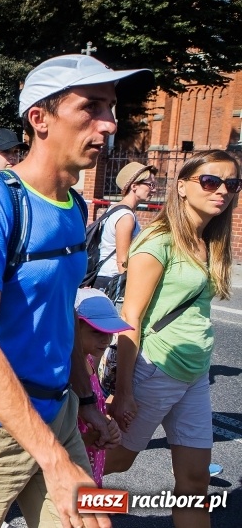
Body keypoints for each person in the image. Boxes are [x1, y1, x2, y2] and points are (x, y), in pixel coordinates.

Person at [0, 54, 152, 528]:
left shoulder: (74, 205)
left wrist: (89, 402)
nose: (109, 125)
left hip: (59, 412)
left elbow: (61, 321)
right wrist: (55, 462)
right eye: (91, 107)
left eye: (111, 108)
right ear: (40, 119)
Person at [105, 150, 239, 528]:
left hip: (194, 373)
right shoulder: (159, 242)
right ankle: (44, 491)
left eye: (232, 184)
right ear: (182, 187)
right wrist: (125, 390)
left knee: (195, 479)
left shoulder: (209, 240)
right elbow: (131, 317)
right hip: (155, 369)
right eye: (211, 181)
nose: (223, 191)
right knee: (114, 460)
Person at [74, 288, 128, 488]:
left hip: (92, 461)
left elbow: (95, 405)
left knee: (92, 512)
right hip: (73, 466)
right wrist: (91, 438)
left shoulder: (87, 361)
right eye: (97, 332)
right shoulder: (68, 371)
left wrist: (107, 424)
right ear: (73, 327)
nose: (106, 340)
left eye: (109, 332)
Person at [93, 162, 157, 291]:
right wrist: (130, 287)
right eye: (150, 185)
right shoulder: (125, 216)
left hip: (106, 277)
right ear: (134, 186)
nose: (154, 189)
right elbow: (122, 261)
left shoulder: (114, 209)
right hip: (112, 280)